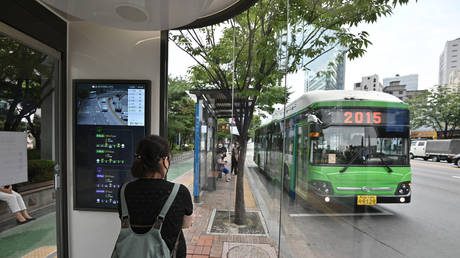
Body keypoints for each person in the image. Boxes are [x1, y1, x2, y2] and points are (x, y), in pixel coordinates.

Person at [117, 135, 193, 258]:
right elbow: (186, 223)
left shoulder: (124, 190)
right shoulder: (179, 192)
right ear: (164, 160)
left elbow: (125, 221)